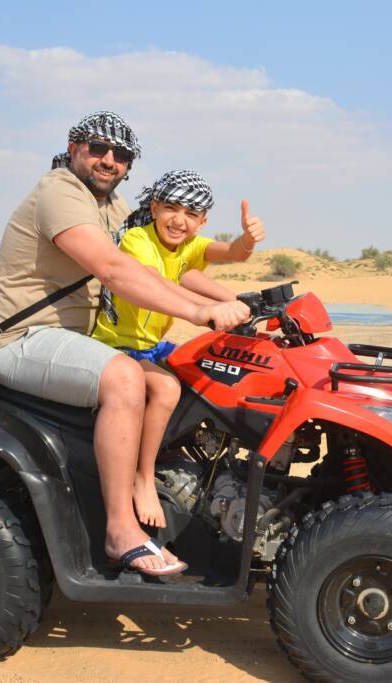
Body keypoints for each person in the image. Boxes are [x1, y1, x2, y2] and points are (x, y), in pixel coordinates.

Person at [0, 112, 250, 576]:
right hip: (23, 338)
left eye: (121, 154)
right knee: (124, 377)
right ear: (73, 149)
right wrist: (198, 313)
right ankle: (120, 529)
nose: (109, 160)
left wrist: (237, 300)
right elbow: (115, 270)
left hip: (72, 340)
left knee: (189, 375)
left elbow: (170, 264)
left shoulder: (113, 206)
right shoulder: (61, 191)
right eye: (98, 148)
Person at [92, 170, 265, 528]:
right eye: (171, 208)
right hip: (116, 345)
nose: (178, 220)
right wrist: (206, 312)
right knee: (167, 387)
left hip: (151, 346)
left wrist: (247, 241)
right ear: (154, 207)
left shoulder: (188, 247)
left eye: (190, 214)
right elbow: (155, 282)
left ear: (202, 221)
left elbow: (231, 252)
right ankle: (142, 477)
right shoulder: (138, 240)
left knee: (213, 371)